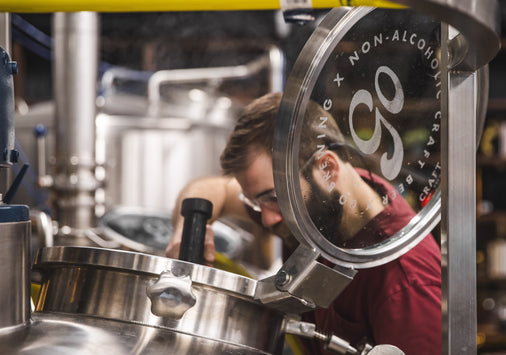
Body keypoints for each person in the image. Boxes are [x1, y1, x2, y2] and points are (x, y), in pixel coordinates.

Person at [166, 92, 441, 355]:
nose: (266, 219)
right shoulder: (324, 202)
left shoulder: (405, 280)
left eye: (274, 198)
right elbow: (215, 190)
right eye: (254, 203)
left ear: (328, 168)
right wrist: (187, 227)